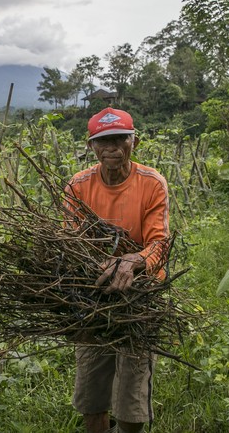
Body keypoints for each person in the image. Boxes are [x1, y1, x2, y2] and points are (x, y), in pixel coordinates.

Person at [65, 107, 170, 433]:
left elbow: (159, 242)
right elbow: (69, 242)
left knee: (132, 399)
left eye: (118, 139)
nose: (111, 148)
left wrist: (133, 261)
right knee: (92, 394)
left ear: (133, 142)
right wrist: (94, 267)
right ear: (91, 146)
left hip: (140, 294)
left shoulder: (151, 183)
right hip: (92, 294)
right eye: (103, 141)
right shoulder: (78, 186)